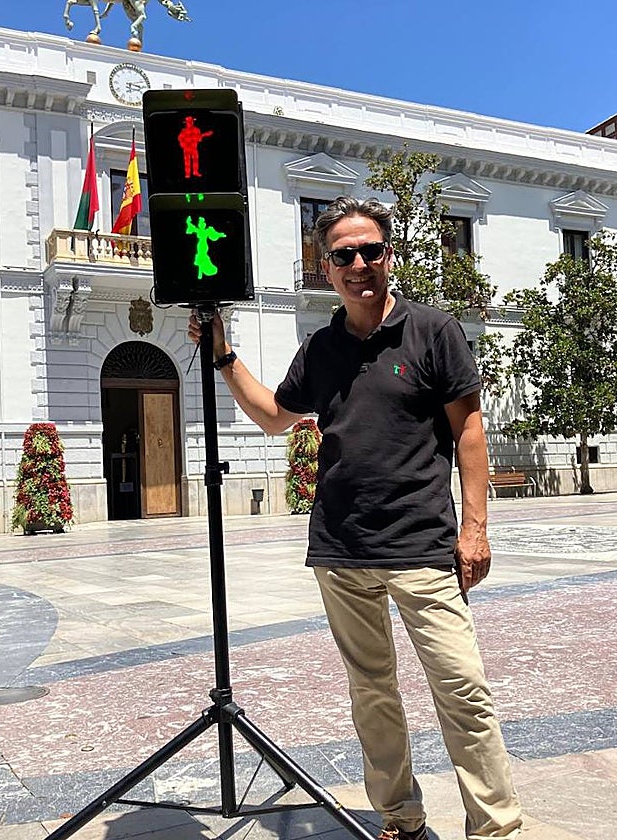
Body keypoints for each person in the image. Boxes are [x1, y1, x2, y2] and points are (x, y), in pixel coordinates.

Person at [187, 197, 522, 840]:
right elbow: (276, 416)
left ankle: (496, 826)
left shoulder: (433, 330)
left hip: (424, 547)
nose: (360, 264)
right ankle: (399, 818)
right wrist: (226, 356)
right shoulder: (321, 349)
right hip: (342, 551)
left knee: (464, 691)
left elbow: (469, 432)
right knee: (372, 695)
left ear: (389, 254)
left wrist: (475, 527)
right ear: (326, 267)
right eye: (344, 255)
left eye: (371, 250)